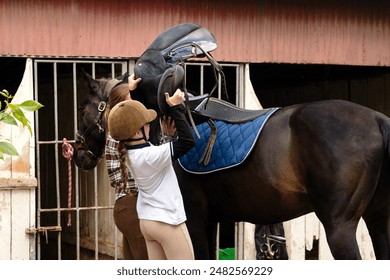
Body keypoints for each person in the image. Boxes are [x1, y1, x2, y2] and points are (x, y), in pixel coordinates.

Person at [107, 89, 196, 260]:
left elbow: (156, 150)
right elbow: (188, 141)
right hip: (167, 222)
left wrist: (169, 137)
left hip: (148, 222)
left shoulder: (132, 154)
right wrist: (175, 108)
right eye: (146, 123)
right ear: (136, 132)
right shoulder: (149, 157)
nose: (149, 125)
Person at [104, 74, 148, 260]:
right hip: (132, 205)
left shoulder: (112, 132)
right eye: (131, 102)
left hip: (124, 207)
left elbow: (115, 180)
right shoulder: (124, 134)